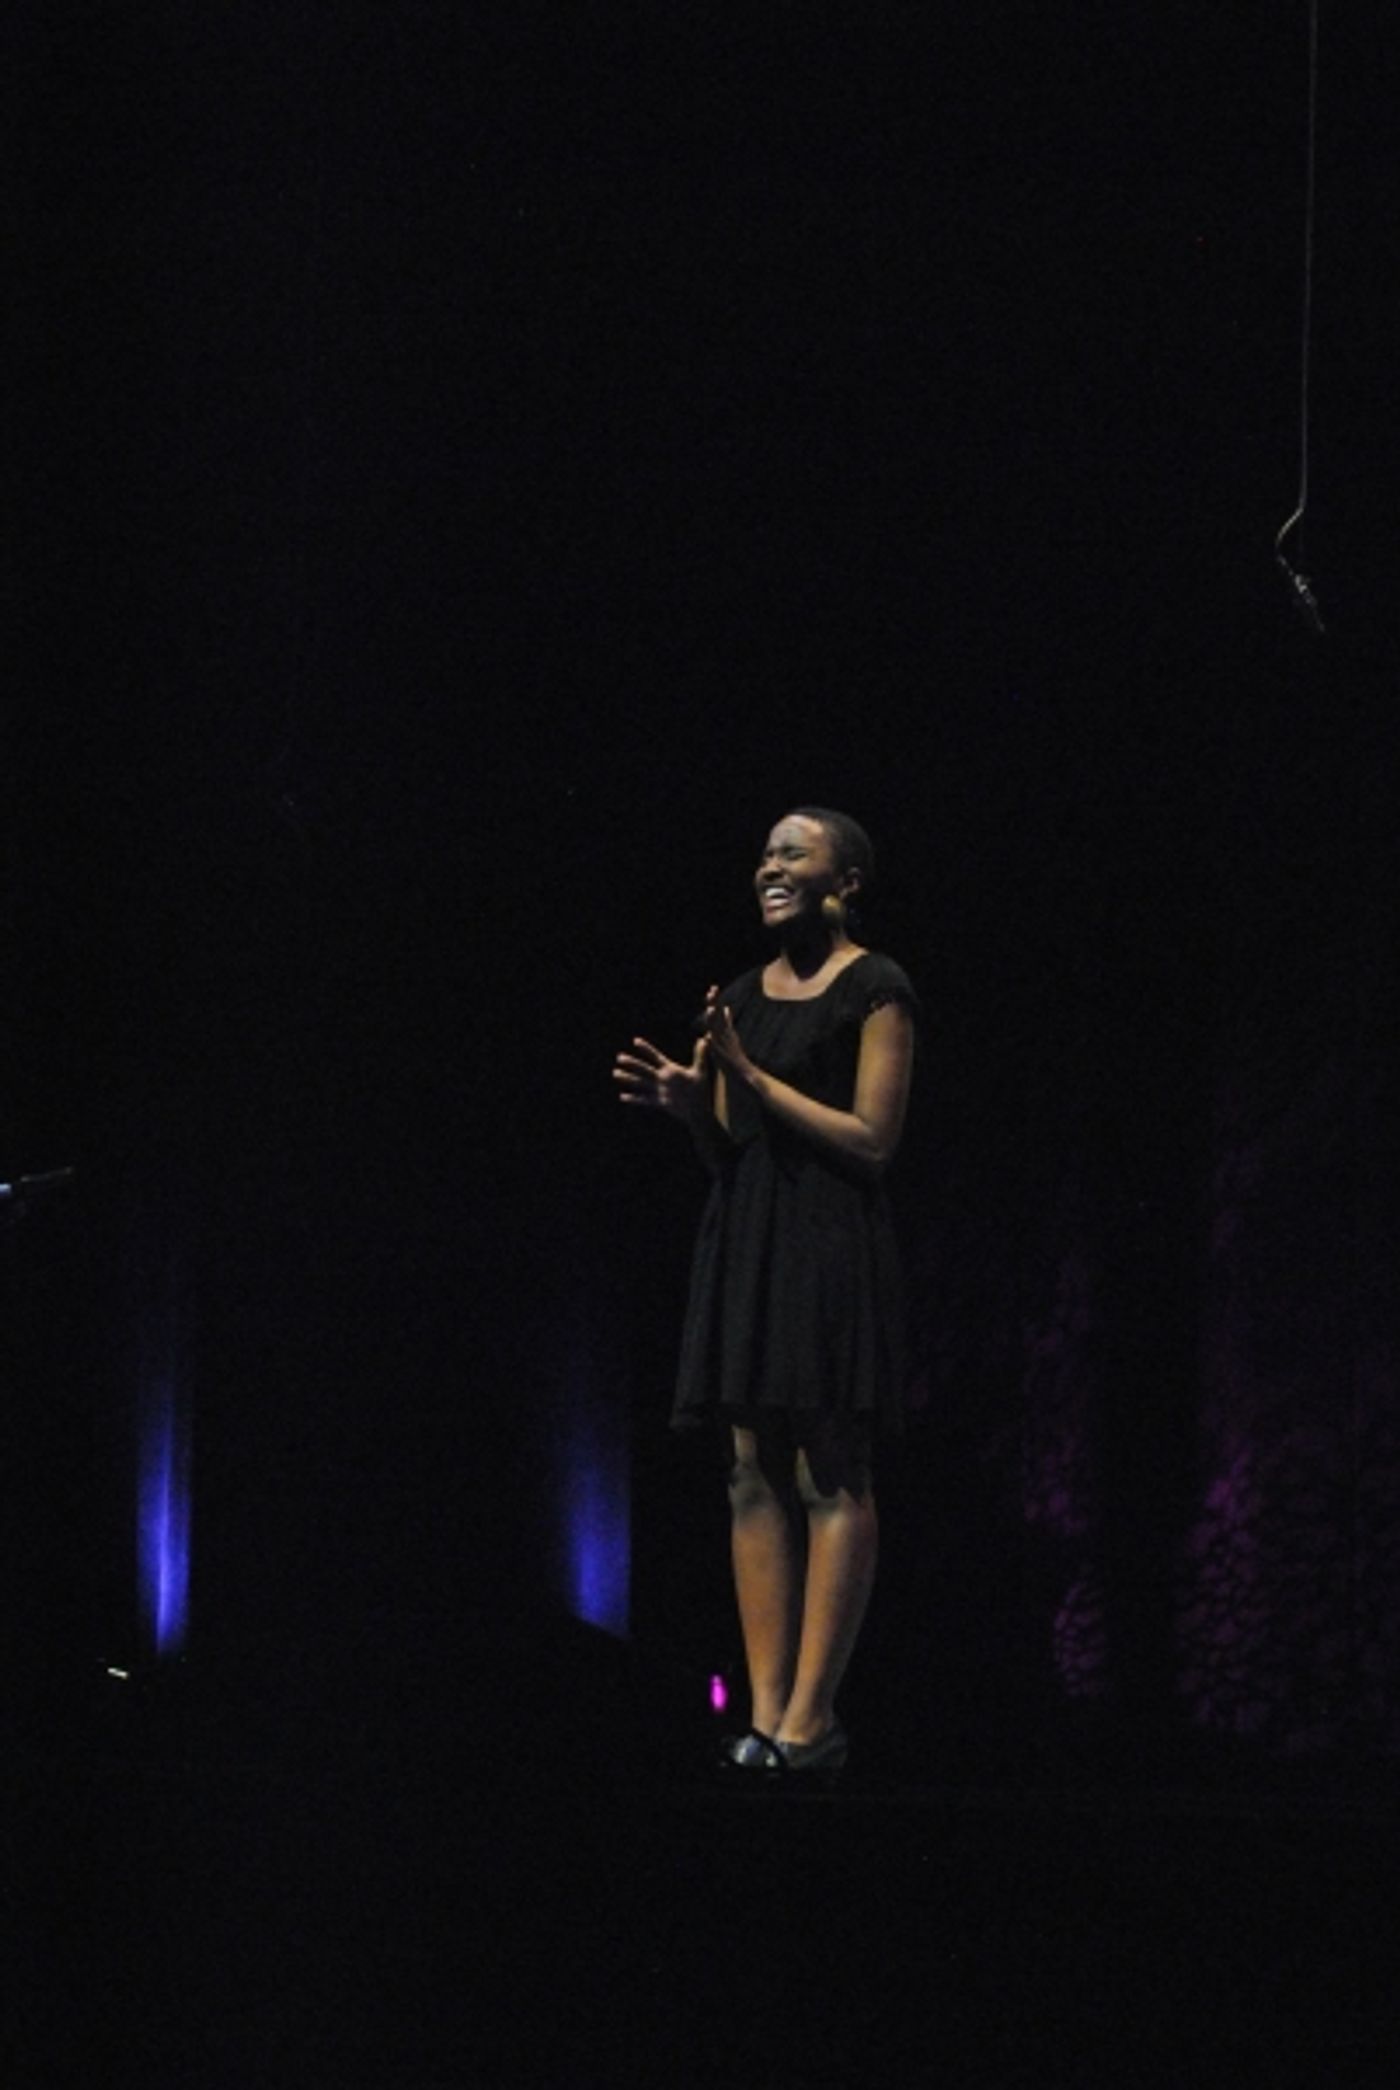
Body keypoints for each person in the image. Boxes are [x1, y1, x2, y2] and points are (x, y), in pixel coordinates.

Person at [613, 807, 917, 1781]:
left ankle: (811, 1716)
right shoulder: (741, 994)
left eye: (792, 849)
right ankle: (763, 1714)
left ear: (848, 877)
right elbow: (728, 1149)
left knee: (827, 1469)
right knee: (750, 1472)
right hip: (746, 1239)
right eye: (764, 852)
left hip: (828, 1242)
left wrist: (747, 1074)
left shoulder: (876, 986)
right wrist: (687, 1108)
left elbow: (871, 1139)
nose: (769, 864)